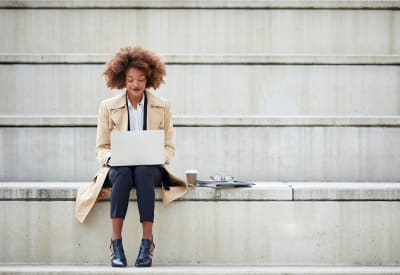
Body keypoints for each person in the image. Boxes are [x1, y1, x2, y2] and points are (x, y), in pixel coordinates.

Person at [74, 46, 188, 268]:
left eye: (141, 79)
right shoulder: (107, 107)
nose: (136, 85)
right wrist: (113, 157)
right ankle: (116, 243)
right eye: (130, 80)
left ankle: (147, 242)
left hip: (150, 168)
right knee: (124, 172)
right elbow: (101, 148)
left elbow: (169, 147)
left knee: (143, 171)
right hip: (118, 168)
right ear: (122, 80)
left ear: (149, 79)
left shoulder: (162, 106)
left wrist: (157, 155)